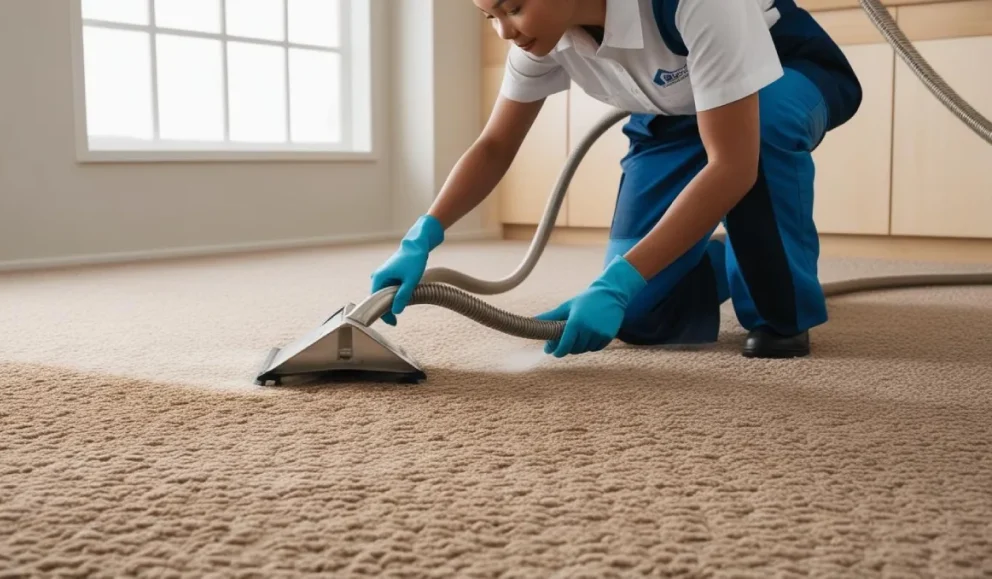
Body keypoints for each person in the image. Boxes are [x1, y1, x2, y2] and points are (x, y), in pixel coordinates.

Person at [369, 0, 862, 360]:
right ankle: (731, 254)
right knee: (643, 317)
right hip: (670, 116)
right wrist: (423, 234)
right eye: (489, 15)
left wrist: (618, 280)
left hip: (779, 79)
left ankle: (780, 308)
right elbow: (494, 146)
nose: (504, 31)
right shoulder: (544, 39)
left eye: (514, 7)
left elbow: (732, 165)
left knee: (761, 140)